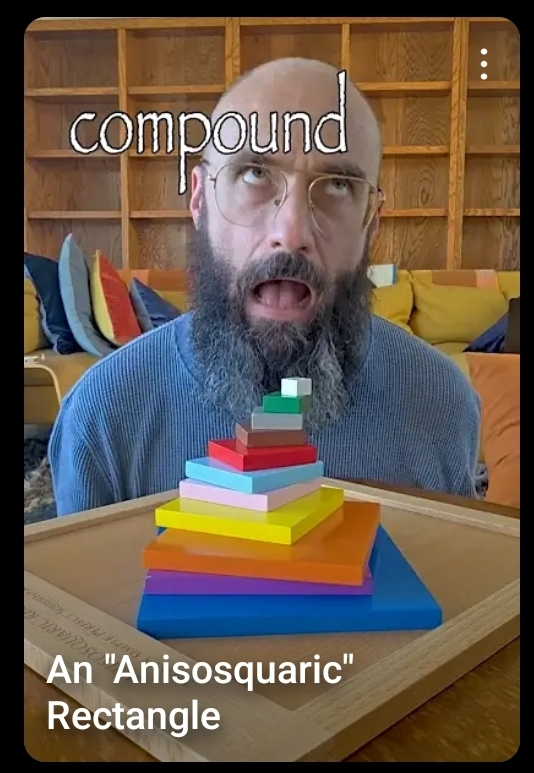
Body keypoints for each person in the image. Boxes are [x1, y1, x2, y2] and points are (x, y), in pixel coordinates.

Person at [49, 57, 481, 516]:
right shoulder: (103, 415)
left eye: (338, 184)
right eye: (255, 173)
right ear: (200, 199)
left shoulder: (443, 403)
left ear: (371, 221)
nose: (291, 232)